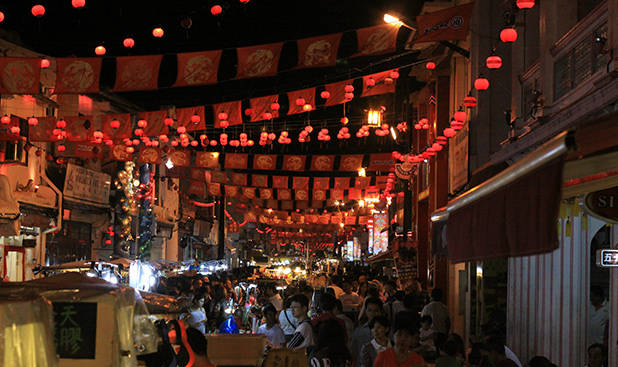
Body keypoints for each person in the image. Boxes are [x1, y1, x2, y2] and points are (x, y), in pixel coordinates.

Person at [351, 297, 383, 365]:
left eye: (376, 311)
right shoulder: (359, 331)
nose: (372, 313)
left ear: (381, 312)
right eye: (370, 310)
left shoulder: (387, 331)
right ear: (365, 311)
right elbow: (354, 351)